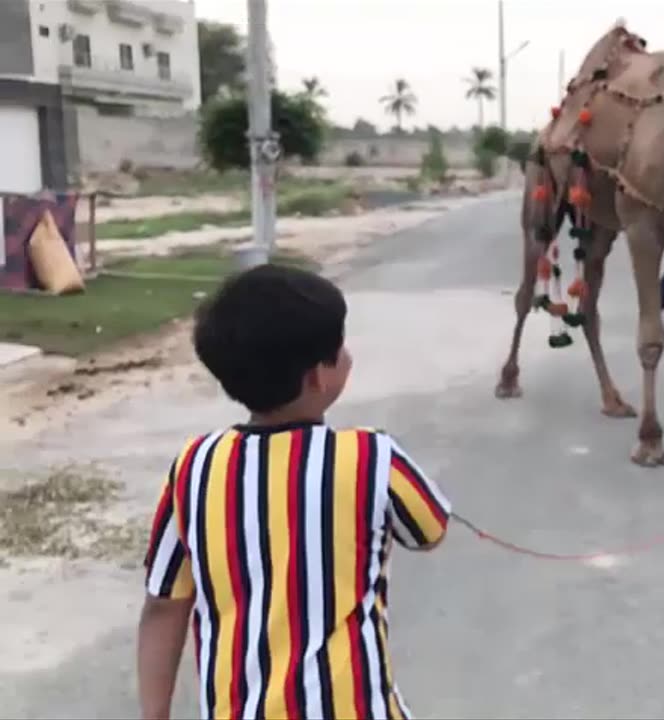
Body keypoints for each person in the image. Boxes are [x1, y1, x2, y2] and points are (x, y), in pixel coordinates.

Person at [136, 264, 450, 720]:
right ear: (318, 376)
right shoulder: (371, 457)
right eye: (338, 348)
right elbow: (430, 531)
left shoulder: (194, 466)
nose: (347, 355)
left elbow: (164, 606)